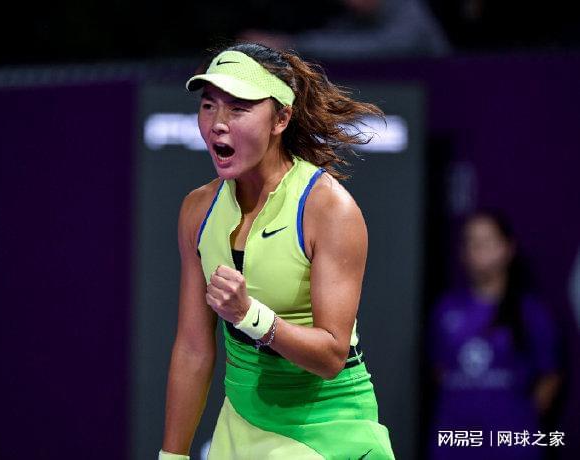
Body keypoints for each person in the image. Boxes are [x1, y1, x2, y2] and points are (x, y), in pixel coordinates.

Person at [159, 42, 395, 459]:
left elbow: (331, 355)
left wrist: (249, 316)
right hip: (242, 421)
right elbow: (194, 348)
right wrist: (172, 456)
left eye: (238, 108)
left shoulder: (328, 209)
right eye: (209, 106)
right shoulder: (197, 210)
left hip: (327, 427)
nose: (217, 124)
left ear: (281, 119)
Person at [427, 210, 562, 459]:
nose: (477, 249)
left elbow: (549, 377)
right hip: (454, 442)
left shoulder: (530, 312)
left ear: (508, 248)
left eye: (486, 241)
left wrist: (518, 418)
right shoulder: (445, 310)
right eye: (470, 241)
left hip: (511, 443)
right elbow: (438, 371)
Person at [240, 0, 451, 61]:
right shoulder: (352, 17)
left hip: (438, 111)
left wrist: (289, 45)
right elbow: (333, 40)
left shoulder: (409, 11)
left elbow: (380, 48)